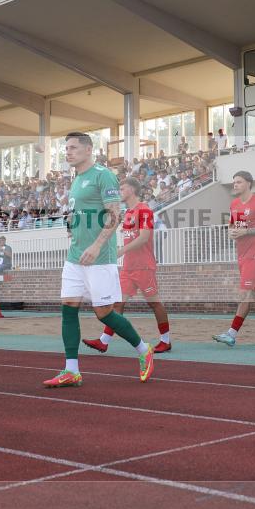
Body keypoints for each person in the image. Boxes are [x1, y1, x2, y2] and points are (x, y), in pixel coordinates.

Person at [45, 132, 153, 388]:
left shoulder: (103, 175)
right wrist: (73, 225)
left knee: (104, 314)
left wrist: (96, 245)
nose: (68, 152)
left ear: (88, 149)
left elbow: (114, 215)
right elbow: (81, 212)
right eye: (66, 148)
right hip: (75, 256)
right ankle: (71, 370)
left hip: (99, 257)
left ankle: (143, 349)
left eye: (72, 148)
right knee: (68, 308)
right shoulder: (76, 179)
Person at [83, 177, 172, 354]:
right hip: (128, 267)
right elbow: (129, 238)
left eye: (122, 188)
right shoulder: (128, 212)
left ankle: (166, 340)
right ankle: (104, 341)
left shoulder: (144, 210)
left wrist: (121, 251)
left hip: (144, 266)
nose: (119, 192)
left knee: (154, 303)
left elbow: (144, 238)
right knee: (117, 304)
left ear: (132, 189)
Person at [213, 171, 255, 347]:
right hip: (241, 255)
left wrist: (247, 231)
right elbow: (232, 226)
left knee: (245, 293)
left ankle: (231, 333)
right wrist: (231, 233)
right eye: (234, 182)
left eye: (239, 182)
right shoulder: (235, 204)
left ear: (249, 184)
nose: (235, 185)